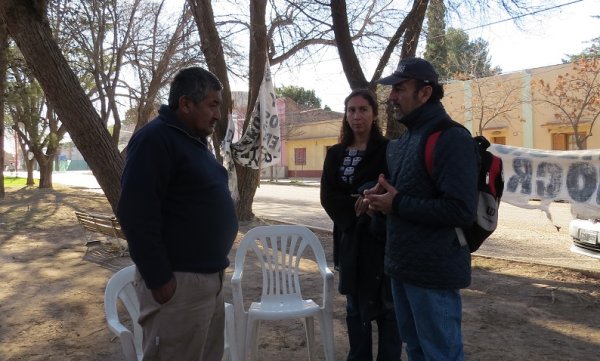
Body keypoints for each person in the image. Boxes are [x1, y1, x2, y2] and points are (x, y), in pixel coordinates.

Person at [117, 67, 238, 361]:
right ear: (186, 104)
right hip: (178, 287)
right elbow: (135, 213)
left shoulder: (195, 142)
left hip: (208, 281)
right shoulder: (155, 139)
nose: (217, 114)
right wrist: (159, 279)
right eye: (212, 105)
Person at [364, 57, 479, 361]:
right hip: (402, 267)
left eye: (400, 89)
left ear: (425, 93)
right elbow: (404, 198)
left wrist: (397, 202)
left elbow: (460, 210)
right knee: (415, 351)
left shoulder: (452, 138)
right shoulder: (406, 140)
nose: (392, 97)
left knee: (440, 354)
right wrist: (380, 203)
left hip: (434, 274)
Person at [321, 89, 402, 361]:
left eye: (363, 109)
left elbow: (392, 187)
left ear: (374, 113)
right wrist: (357, 207)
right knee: (355, 306)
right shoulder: (335, 154)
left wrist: (372, 202)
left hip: (381, 240)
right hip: (349, 239)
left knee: (388, 308)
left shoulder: (389, 150)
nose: (357, 116)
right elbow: (328, 196)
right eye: (351, 110)